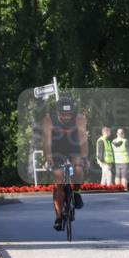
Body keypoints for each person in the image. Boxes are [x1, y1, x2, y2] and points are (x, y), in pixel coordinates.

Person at [42, 96, 88, 231]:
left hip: (74, 148)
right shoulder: (49, 119)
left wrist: (85, 157)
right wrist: (48, 158)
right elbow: (47, 141)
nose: (66, 117)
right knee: (58, 180)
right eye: (63, 114)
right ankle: (58, 217)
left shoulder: (79, 118)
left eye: (69, 114)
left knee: (79, 169)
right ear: (57, 112)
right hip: (57, 149)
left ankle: (77, 192)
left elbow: (83, 140)